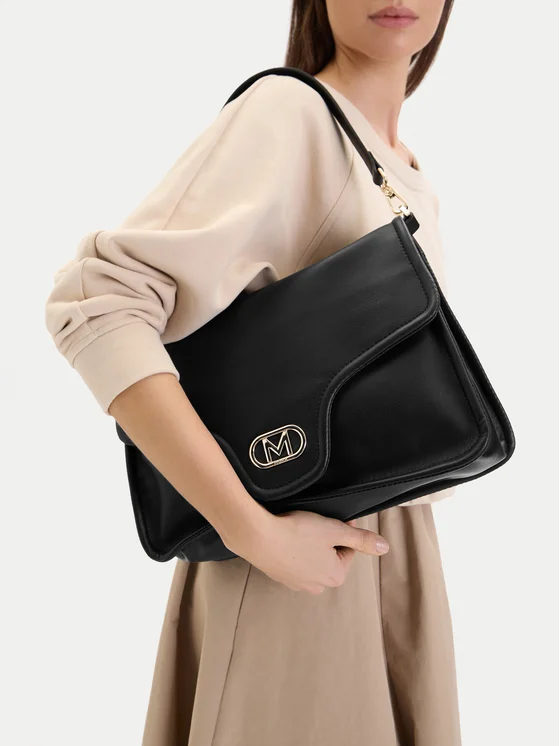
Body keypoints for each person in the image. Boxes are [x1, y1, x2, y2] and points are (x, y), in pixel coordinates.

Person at [44, 0, 463, 743]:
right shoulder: (290, 114)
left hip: (391, 556)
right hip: (294, 564)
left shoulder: (400, 163)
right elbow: (99, 302)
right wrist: (252, 531)